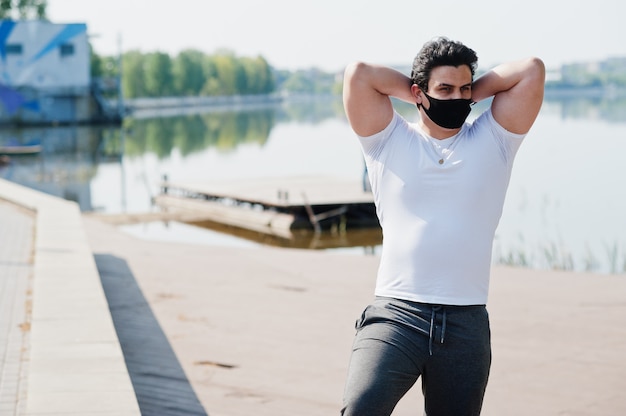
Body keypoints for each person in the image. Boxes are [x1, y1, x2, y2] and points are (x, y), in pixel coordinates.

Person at [340, 37, 545, 416]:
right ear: (419, 93)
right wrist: (419, 94)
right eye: (444, 89)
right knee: (359, 409)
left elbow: (531, 69)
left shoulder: (496, 140)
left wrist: (466, 93)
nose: (457, 98)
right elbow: (360, 75)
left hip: (465, 323)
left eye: (465, 89)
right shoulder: (386, 140)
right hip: (396, 314)